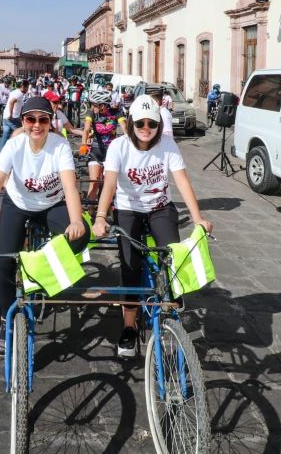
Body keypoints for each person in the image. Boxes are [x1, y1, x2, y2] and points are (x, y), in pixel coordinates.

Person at [0, 96, 90, 355]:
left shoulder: (60, 145)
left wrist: (76, 220)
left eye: (43, 119)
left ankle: (39, 272)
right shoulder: (14, 146)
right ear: (23, 121)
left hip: (51, 204)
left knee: (80, 239)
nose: (37, 125)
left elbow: (69, 186)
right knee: (6, 261)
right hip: (17, 203)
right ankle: (4, 322)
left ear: (50, 122)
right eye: (31, 119)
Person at [91, 96, 213, 357]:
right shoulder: (118, 147)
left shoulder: (167, 144)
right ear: (131, 123)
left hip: (159, 207)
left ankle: (170, 303)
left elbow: (182, 181)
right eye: (141, 123)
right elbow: (110, 184)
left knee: (173, 254)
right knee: (130, 265)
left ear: (159, 124)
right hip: (128, 209)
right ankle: (128, 327)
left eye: (153, 124)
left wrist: (198, 217)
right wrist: (100, 216)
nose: (147, 128)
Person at [80, 90, 127, 207]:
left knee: (110, 183)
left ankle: (108, 209)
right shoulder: (91, 113)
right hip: (96, 150)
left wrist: (131, 144)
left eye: (95, 105)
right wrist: (83, 144)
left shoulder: (117, 113)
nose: (92, 107)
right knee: (95, 182)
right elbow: (86, 130)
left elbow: (126, 130)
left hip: (112, 152)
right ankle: (91, 211)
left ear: (103, 105)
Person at [0, 79, 28, 151]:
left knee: (5, 136)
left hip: (5, 117)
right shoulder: (20, 94)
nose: (27, 89)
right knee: (22, 133)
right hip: (12, 118)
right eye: (27, 87)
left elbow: (18, 105)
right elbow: (11, 102)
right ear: (23, 87)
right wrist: (11, 114)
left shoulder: (14, 91)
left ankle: (2, 152)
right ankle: (21, 151)